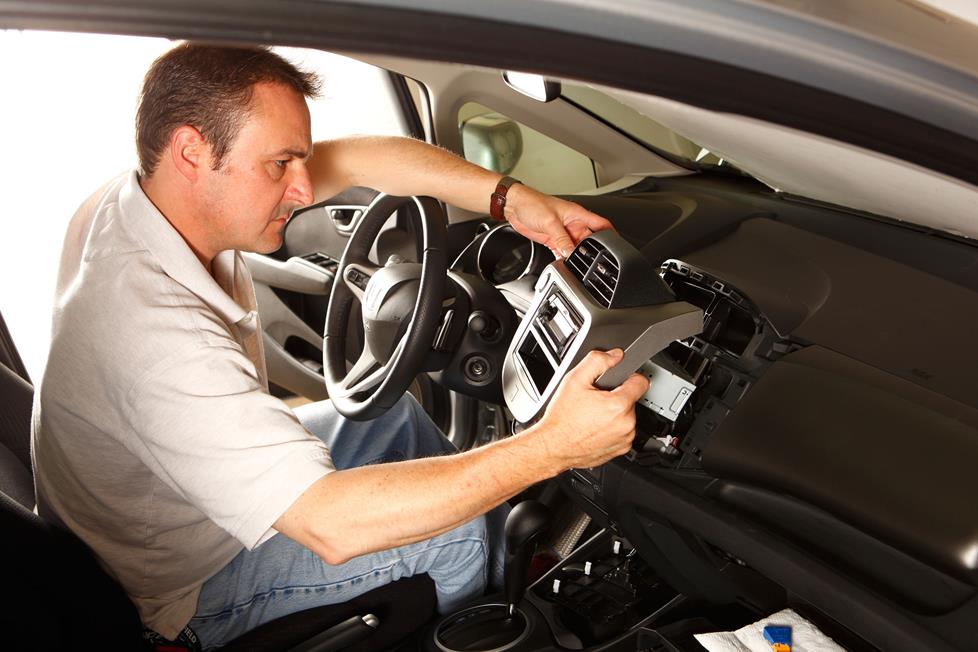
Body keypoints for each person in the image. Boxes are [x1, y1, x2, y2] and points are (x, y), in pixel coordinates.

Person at [32, 43, 649, 649]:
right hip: (179, 588)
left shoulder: (141, 199)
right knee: (454, 537)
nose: (304, 188)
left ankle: (506, 563)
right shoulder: (155, 336)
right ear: (192, 151)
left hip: (166, 510)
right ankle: (492, 625)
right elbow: (329, 524)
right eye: (279, 165)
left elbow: (357, 159)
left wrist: (512, 202)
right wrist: (555, 446)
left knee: (397, 415)